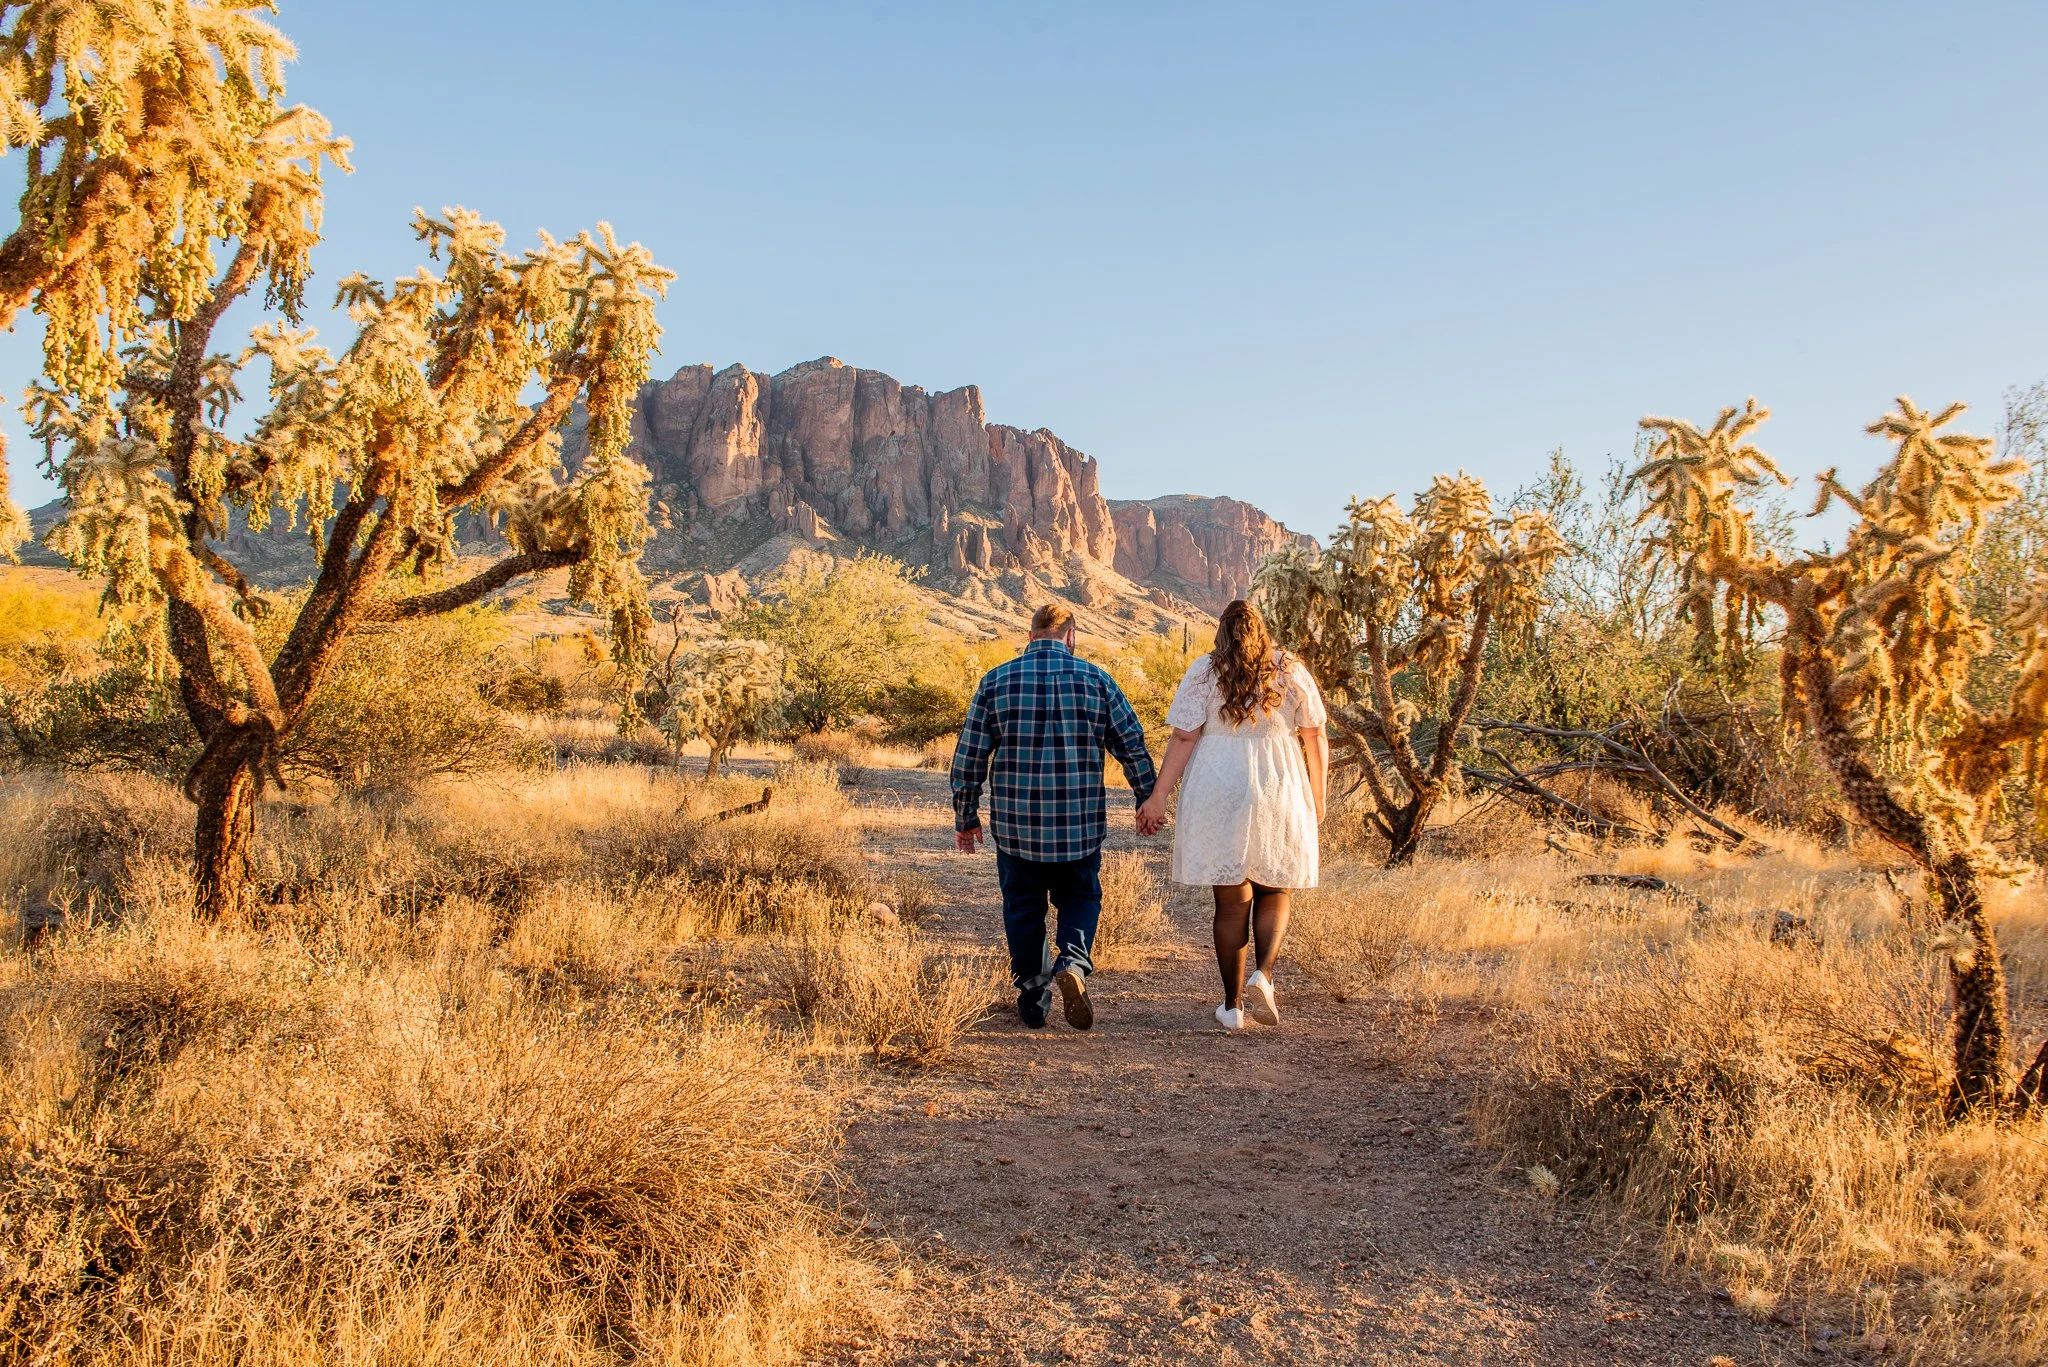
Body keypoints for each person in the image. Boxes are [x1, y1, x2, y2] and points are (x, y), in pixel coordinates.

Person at [951, 602, 1159, 1030]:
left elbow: (969, 756)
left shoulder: (996, 681)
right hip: (1078, 827)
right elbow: (1132, 744)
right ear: (1071, 637)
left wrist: (966, 815)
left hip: (1016, 828)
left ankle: (1033, 992)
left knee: (1023, 907)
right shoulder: (1097, 680)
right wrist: (1146, 798)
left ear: (1030, 637)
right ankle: (1075, 965)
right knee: (1081, 897)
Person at [1137, 600, 1328, 1031]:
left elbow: (1185, 737)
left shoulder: (1204, 671)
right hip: (1279, 780)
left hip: (1218, 781)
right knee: (1275, 887)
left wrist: (1159, 796)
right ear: (1262, 630)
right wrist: (1317, 794)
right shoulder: (1289, 669)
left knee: (1230, 899)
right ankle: (1264, 976)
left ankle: (1232, 1007)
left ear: (1221, 632)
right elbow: (1314, 734)